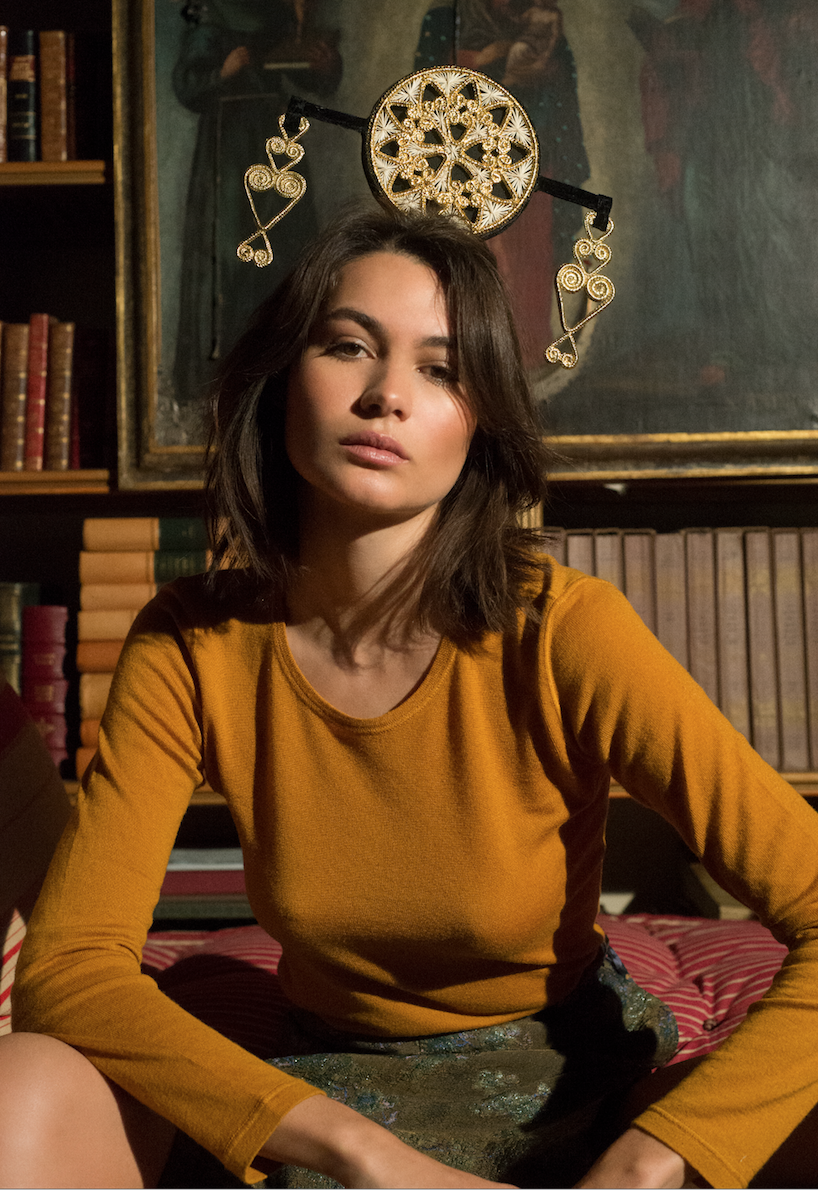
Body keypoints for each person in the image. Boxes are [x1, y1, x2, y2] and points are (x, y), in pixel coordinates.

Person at [3, 205, 818, 1190]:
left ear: (478, 426)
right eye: (348, 346)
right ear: (279, 381)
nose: (386, 393)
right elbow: (70, 967)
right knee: (24, 1085)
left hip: (573, 1086)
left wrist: (655, 1158)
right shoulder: (191, 640)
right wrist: (358, 1151)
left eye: (439, 368)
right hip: (325, 1098)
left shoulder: (565, 629)